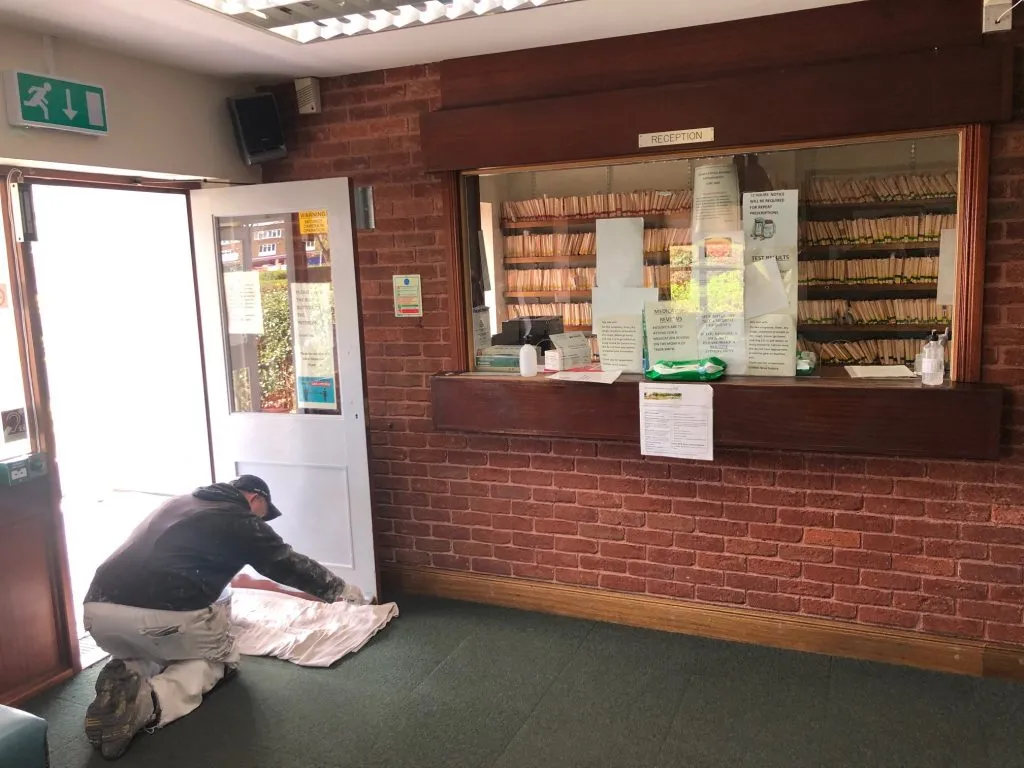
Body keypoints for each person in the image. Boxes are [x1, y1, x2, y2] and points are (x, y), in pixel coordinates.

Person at [81, 475, 367, 760]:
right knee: (222, 657)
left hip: (97, 614)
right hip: (160, 615)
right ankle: (149, 703)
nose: (261, 522)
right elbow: (286, 563)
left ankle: (126, 671)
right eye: (263, 515)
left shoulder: (178, 502)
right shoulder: (240, 520)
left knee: (157, 644)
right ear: (255, 498)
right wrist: (340, 590)